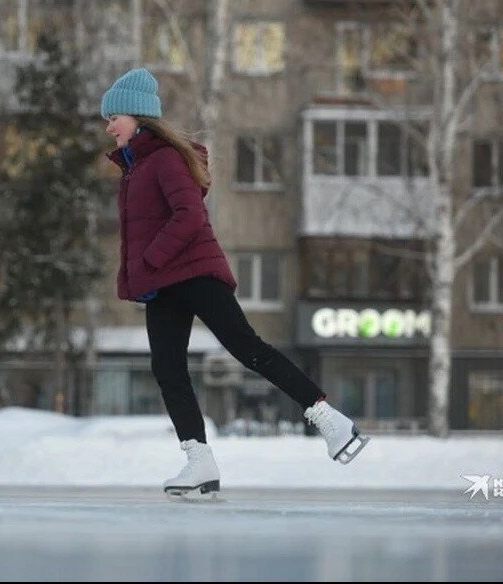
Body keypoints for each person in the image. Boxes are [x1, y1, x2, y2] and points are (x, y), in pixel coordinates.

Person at [100, 68, 369, 499]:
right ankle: (198, 459)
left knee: (246, 347)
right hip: (164, 283)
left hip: (194, 273)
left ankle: (329, 419)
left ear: (137, 116)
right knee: (167, 368)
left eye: (113, 117)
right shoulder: (136, 168)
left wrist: (151, 259)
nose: (109, 126)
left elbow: (189, 216)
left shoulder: (165, 159)